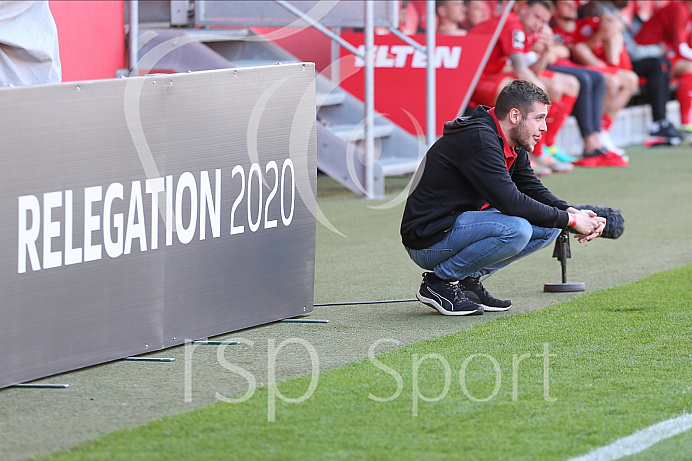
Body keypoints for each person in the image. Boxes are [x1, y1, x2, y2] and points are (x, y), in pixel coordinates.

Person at [400, 80, 607, 316]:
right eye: (539, 118)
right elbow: (511, 201)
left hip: (458, 227)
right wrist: (570, 222)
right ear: (515, 116)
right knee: (517, 229)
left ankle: (468, 281)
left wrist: (571, 212)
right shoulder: (479, 140)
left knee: (549, 227)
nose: (544, 128)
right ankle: (439, 284)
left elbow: (532, 189)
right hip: (428, 239)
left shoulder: (511, 140)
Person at [469, 0, 577, 176]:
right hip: (472, 81)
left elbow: (531, 70)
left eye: (543, 21)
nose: (538, 24)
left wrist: (547, 51)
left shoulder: (524, 27)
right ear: (524, 9)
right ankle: (533, 152)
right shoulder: (513, 24)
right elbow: (520, 70)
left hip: (490, 75)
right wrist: (541, 93)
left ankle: (546, 147)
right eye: (536, 17)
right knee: (532, 91)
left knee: (567, 84)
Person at [553, 0, 638, 160]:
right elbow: (573, 51)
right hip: (582, 69)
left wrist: (616, 24)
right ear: (554, 8)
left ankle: (602, 130)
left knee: (631, 79)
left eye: (574, 3)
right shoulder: (553, 30)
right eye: (566, 3)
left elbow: (614, 23)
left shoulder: (587, 22)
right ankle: (596, 133)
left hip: (593, 67)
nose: (573, 6)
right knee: (609, 81)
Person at [634, 1, 692, 133]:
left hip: (663, 55)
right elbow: (680, 48)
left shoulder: (687, 13)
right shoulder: (679, 8)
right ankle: (685, 123)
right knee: (689, 67)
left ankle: (686, 123)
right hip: (647, 54)